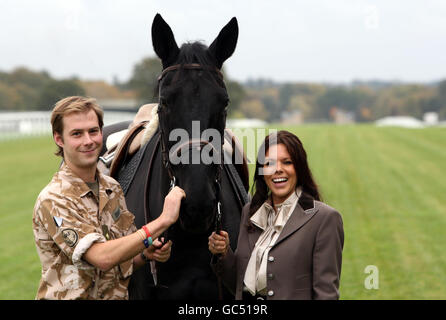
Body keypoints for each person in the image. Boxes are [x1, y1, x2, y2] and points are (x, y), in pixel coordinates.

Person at [32, 96, 186, 300]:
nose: (88, 141)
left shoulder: (111, 188)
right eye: (77, 134)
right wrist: (164, 220)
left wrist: (145, 254)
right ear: (59, 139)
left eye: (93, 131)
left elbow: (120, 258)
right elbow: (102, 257)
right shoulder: (54, 198)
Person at [209, 130, 344, 300]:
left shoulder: (325, 218)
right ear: (262, 171)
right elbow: (239, 285)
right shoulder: (250, 212)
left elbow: (326, 293)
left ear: (299, 168)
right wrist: (224, 253)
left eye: (287, 162)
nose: (278, 170)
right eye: (269, 164)